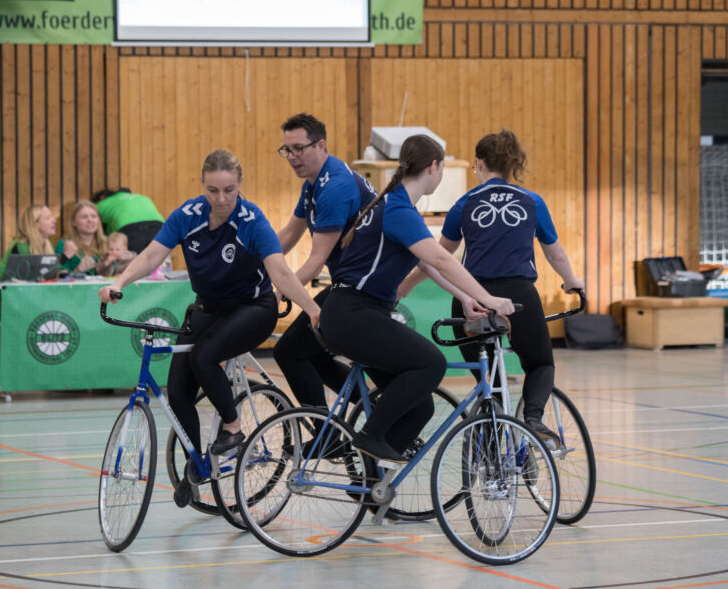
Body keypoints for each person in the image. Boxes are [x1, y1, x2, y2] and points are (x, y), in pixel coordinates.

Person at [99, 150, 321, 504]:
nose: (221, 199)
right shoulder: (187, 215)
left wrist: (311, 308)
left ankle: (232, 427)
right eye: (213, 190)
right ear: (203, 185)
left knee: (204, 356)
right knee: (178, 391)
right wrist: (120, 282)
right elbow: (153, 254)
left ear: (239, 185)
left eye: (229, 190)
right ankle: (198, 466)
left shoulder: (251, 220)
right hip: (207, 308)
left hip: (253, 308)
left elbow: (279, 271)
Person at [319, 135, 516, 464]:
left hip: (352, 313)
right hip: (353, 314)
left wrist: (466, 298)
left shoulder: (396, 205)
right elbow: (441, 259)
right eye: (443, 169)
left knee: (420, 405)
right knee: (432, 363)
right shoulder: (398, 210)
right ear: (434, 167)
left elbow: (426, 263)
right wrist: (489, 298)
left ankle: (374, 483)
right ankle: (369, 435)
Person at [400, 129, 584, 444]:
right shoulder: (532, 201)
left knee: (487, 377)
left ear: (479, 163)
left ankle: (492, 421)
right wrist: (572, 281)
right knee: (540, 363)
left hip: (472, 297)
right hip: (519, 297)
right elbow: (555, 254)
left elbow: (439, 257)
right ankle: (533, 419)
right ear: (513, 165)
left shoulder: (464, 203)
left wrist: (406, 284)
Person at [271, 113, 377, 412]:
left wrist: (278, 292)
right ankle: (369, 411)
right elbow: (290, 234)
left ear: (321, 146)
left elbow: (316, 261)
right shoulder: (315, 182)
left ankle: (325, 432)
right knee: (308, 351)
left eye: (298, 149)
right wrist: (252, 263)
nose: (292, 157)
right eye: (287, 150)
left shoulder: (334, 188)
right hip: (350, 284)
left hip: (361, 289)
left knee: (289, 352)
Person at [91, 188, 166, 254]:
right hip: (159, 226)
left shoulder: (102, 203)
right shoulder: (142, 197)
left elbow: (99, 230)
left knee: (135, 261)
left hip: (130, 228)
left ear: (102, 197)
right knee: (160, 260)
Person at [0, 205, 57, 275]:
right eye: (48, 218)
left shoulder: (48, 244)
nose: (54, 220)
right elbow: (32, 275)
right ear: (35, 224)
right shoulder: (21, 245)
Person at [55, 200, 108, 275]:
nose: (90, 220)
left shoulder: (108, 242)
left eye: (93, 216)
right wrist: (79, 270)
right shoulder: (64, 244)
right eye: (84, 217)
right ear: (73, 222)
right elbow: (58, 278)